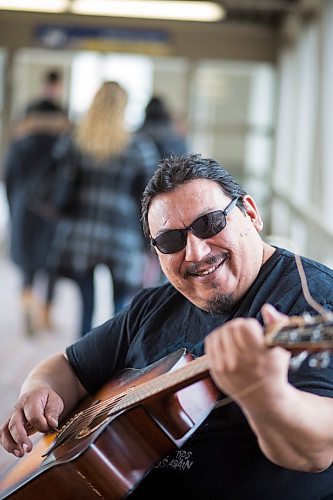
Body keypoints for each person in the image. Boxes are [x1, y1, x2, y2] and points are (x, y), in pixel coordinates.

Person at [1, 153, 333, 499]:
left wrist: (265, 393)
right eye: (171, 241)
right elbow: (67, 366)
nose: (195, 252)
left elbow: (317, 453)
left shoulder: (313, 302)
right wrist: (37, 390)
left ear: (250, 213)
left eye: (210, 223)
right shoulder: (153, 306)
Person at [46, 81, 159, 336]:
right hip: (121, 234)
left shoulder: (75, 141)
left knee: (86, 307)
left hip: (80, 233)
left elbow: (57, 178)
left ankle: (82, 363)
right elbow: (150, 193)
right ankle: (114, 367)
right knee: (121, 308)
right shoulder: (138, 146)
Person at [4, 72, 70, 335]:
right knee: (51, 264)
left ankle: (26, 309)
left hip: (24, 208)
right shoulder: (63, 144)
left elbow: (9, 179)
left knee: (27, 265)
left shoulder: (20, 144)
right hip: (54, 210)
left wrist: (13, 207)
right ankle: (46, 315)